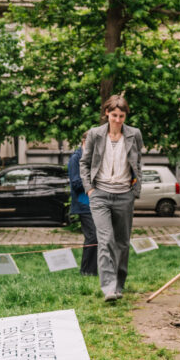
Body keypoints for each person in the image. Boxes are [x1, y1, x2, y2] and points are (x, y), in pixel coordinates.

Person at [79, 95, 144, 302]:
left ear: (125, 116)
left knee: (122, 243)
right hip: (100, 195)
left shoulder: (134, 134)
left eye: (121, 116)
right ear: (107, 113)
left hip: (124, 194)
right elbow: (84, 163)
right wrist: (89, 189)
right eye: (114, 115)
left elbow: (138, 163)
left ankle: (119, 284)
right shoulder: (95, 134)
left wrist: (135, 191)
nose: (117, 120)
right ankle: (108, 288)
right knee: (105, 240)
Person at [68, 134, 98, 276]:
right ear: (85, 142)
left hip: (97, 204)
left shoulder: (94, 158)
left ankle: (94, 270)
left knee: (98, 237)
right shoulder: (76, 158)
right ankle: (86, 271)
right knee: (92, 236)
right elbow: (76, 183)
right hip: (84, 204)